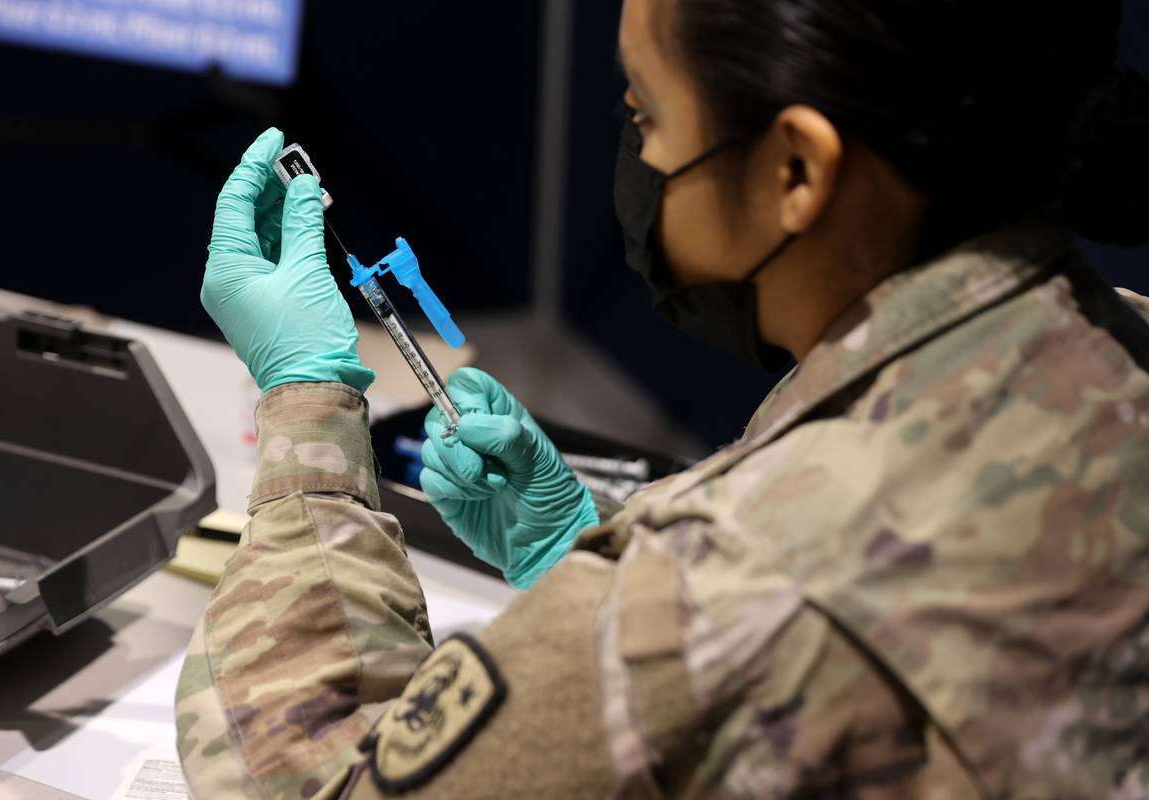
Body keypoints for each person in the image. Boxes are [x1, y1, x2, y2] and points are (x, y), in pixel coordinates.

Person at [175, 0, 1149, 796]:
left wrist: (306, 407)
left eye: (646, 114)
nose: (636, 156)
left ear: (795, 170)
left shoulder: (734, 588)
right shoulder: (1118, 347)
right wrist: (592, 543)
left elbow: (307, 773)